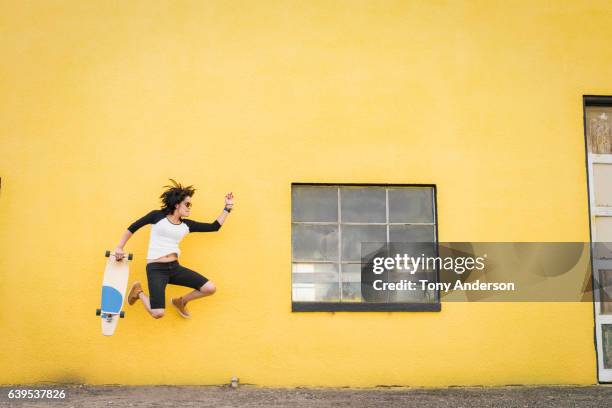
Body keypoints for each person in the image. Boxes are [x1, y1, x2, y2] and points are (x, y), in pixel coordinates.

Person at [113, 179, 233, 319]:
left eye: (190, 204)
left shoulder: (187, 225)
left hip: (175, 268)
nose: (190, 207)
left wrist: (227, 207)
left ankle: (181, 302)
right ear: (177, 204)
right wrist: (119, 247)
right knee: (158, 313)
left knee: (210, 288)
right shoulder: (157, 216)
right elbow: (133, 227)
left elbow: (214, 227)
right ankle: (138, 292)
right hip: (156, 269)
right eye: (187, 204)